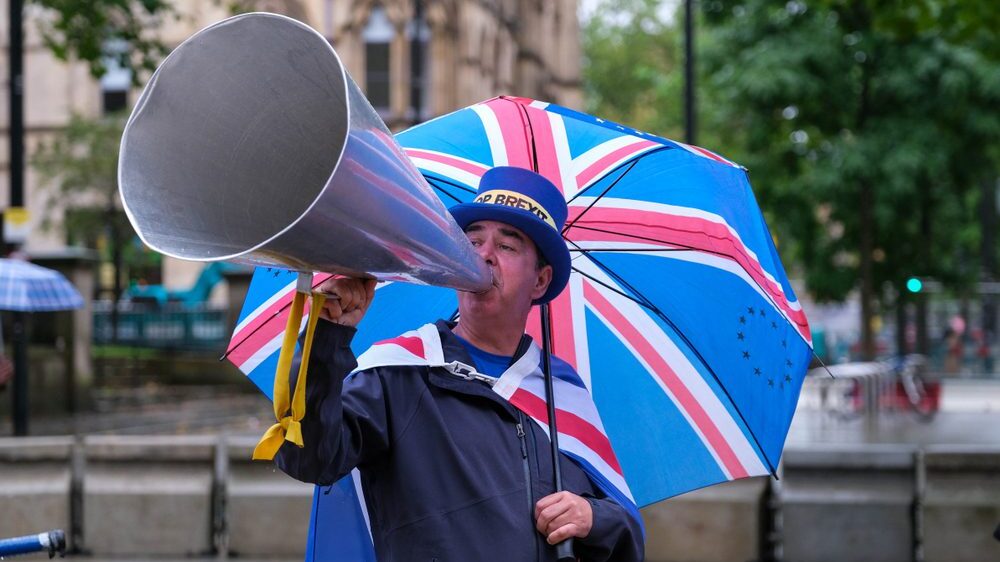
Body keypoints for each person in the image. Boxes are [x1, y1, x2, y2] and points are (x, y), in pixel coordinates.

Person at [274, 166, 644, 561]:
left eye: (507, 246)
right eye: (472, 241)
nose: (483, 255)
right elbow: (309, 456)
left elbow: (627, 537)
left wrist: (592, 517)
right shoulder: (398, 371)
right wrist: (325, 338)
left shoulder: (563, 394)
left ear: (540, 281)